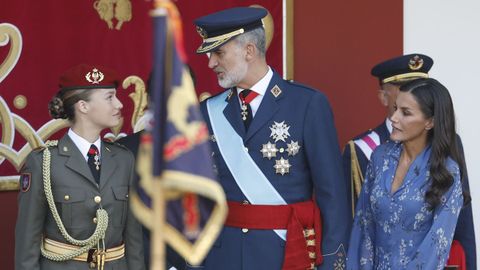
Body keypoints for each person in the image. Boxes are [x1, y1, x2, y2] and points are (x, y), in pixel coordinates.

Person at [193, 7, 350, 270]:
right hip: (223, 256)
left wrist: (333, 261)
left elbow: (331, 195)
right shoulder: (207, 111)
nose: (210, 63)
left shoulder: (307, 104)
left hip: (285, 254)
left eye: (218, 53)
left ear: (249, 50)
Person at [342, 54, 476, 269]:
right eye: (396, 109)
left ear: (429, 122)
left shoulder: (446, 169)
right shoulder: (380, 157)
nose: (394, 118)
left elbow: (437, 246)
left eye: (405, 113)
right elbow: (363, 228)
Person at [15, 64, 145, 270]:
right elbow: (27, 242)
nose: (119, 104)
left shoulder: (124, 159)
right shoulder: (44, 161)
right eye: (109, 97)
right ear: (83, 106)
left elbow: (134, 239)